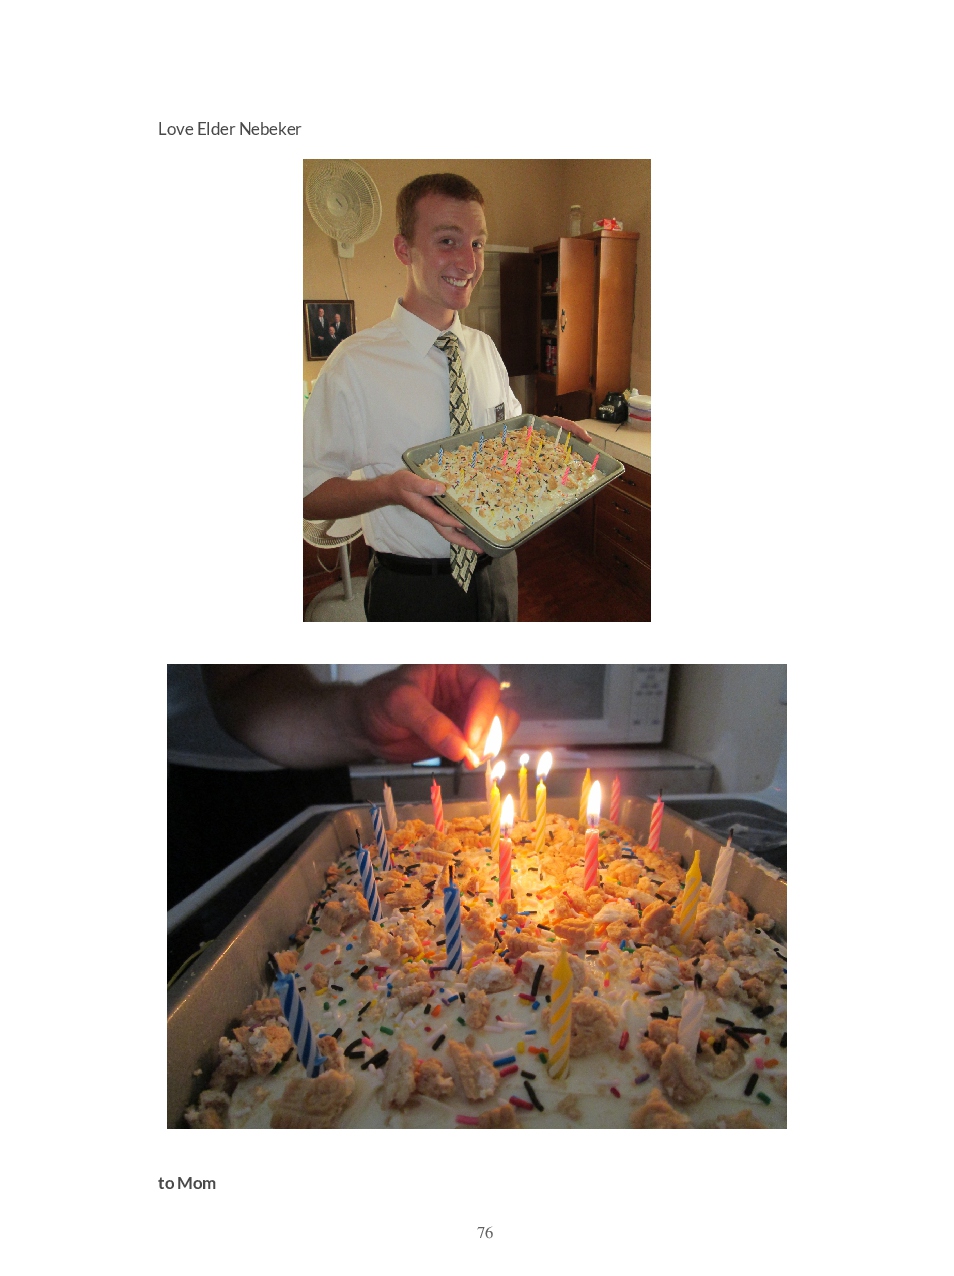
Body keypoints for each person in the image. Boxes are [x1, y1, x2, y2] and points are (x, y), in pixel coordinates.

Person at [303, 172, 592, 622]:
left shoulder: (484, 349)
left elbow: (507, 437)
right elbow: (306, 494)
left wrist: (539, 436)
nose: (469, 262)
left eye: (477, 243)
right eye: (447, 241)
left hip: (499, 573)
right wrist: (389, 490)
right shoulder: (353, 365)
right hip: (412, 589)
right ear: (404, 249)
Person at [168, 664, 518, 907]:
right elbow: (240, 686)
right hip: (190, 785)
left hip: (313, 758)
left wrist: (357, 720)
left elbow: (252, 680)